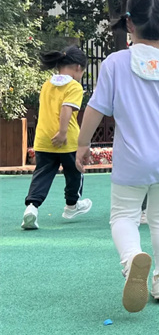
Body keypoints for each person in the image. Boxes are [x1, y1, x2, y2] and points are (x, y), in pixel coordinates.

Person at [76, 0, 159, 313]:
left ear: (129, 23)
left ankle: (132, 259)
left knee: (123, 216)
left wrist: (83, 144)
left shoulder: (115, 63)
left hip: (131, 159)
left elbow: (96, 108)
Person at [21, 46, 93, 230]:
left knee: (42, 174)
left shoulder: (47, 84)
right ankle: (72, 206)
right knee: (75, 172)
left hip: (44, 139)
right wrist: (62, 132)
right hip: (67, 140)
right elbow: (66, 108)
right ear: (78, 67)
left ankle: (32, 207)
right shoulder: (74, 86)